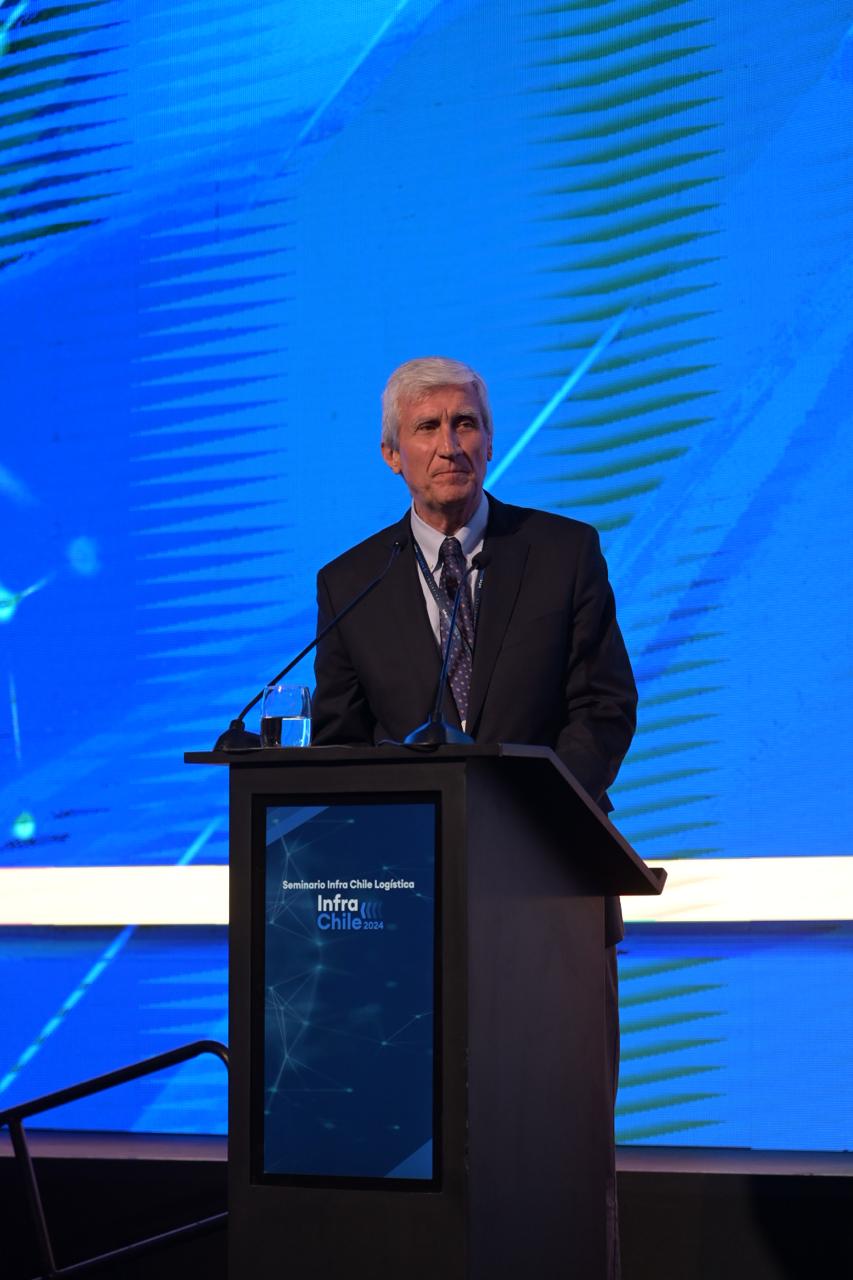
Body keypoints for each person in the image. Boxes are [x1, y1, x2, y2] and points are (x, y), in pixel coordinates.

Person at [312, 355, 636, 1278]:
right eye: (428, 428)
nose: (450, 444)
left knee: (556, 1152)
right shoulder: (350, 582)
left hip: (548, 898)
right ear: (392, 455)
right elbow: (339, 744)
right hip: (407, 922)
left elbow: (603, 706)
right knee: (426, 1160)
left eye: (466, 425)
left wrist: (532, 819)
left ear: (489, 442)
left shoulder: (563, 551)